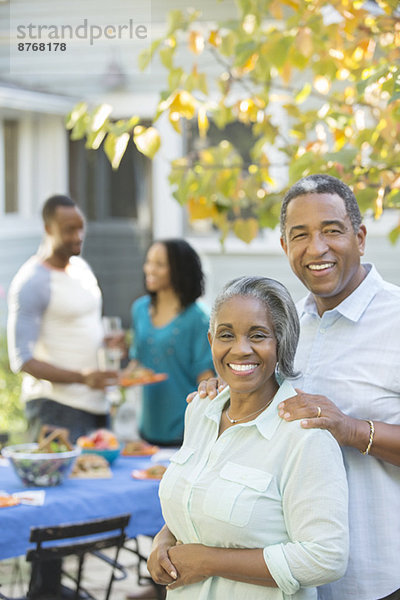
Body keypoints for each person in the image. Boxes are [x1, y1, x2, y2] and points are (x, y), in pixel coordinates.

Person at [188, 174, 400, 600]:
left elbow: (344, 429)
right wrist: (226, 389)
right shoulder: (283, 326)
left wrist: (353, 429)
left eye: (332, 231)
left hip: (381, 575)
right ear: (285, 247)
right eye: (299, 235)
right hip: (289, 580)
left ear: (360, 237)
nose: (316, 248)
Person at [147, 275, 349, 599]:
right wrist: (164, 540)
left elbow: (326, 558)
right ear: (211, 339)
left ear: (280, 343)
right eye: (226, 335)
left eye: (257, 335)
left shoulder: (304, 435)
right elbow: (199, 499)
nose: (240, 350)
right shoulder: (199, 411)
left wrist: (210, 562)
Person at [7, 194, 118, 444]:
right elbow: (22, 359)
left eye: (81, 228)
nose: (78, 236)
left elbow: (82, 326)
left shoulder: (82, 269)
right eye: (69, 230)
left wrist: (107, 341)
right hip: (56, 408)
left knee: (99, 478)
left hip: (98, 404)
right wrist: (82, 377)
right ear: (48, 229)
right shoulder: (32, 281)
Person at [124, 239, 214, 446]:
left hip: (185, 430)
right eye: (149, 262)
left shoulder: (199, 318)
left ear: (179, 270)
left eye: (159, 264)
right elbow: (137, 362)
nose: (150, 269)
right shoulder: (139, 309)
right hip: (147, 428)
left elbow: (205, 377)